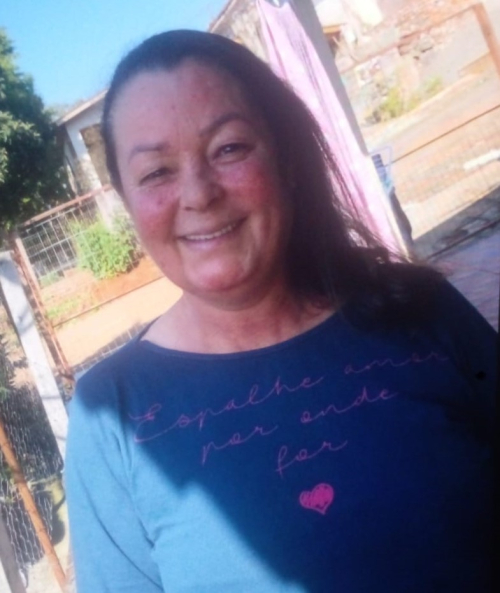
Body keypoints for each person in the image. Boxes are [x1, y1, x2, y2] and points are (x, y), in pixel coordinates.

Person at [65, 30, 495, 593]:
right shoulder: (110, 415)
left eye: (228, 148)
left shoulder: (422, 310)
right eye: (156, 172)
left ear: (286, 159)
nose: (198, 194)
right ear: (127, 202)